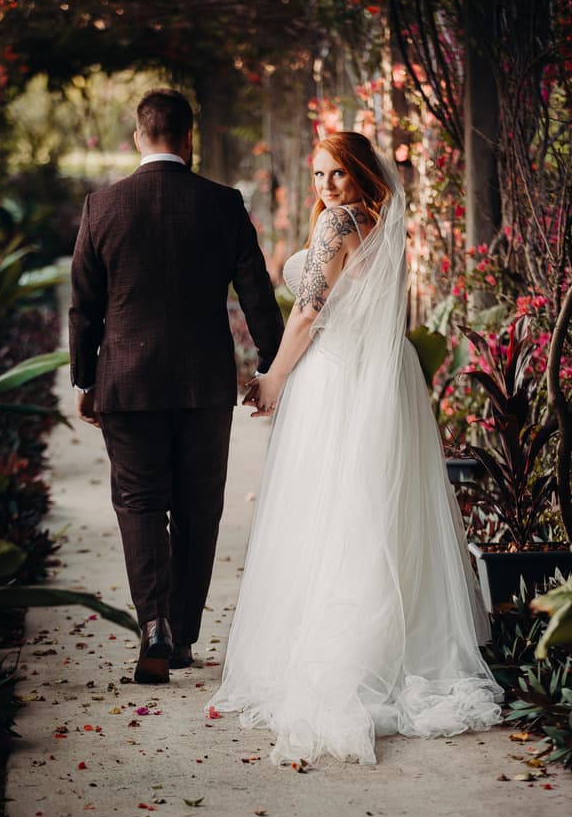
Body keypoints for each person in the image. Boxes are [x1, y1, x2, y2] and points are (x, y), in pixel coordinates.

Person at [208, 132, 503, 765]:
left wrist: (274, 380)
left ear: (361, 174)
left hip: (339, 376)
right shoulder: (384, 223)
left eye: (337, 174)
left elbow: (309, 313)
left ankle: (344, 652)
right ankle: (401, 642)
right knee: (380, 504)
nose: (326, 187)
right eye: (318, 176)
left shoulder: (338, 224)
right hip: (388, 376)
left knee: (332, 507)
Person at [69, 89, 284, 684]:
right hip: (203, 383)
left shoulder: (101, 208)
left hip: (127, 383)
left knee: (139, 502)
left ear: (138, 137)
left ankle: (154, 624)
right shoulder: (222, 204)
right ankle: (183, 633)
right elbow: (256, 293)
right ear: (189, 138)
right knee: (198, 506)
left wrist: (85, 378)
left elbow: (84, 308)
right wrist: (272, 366)